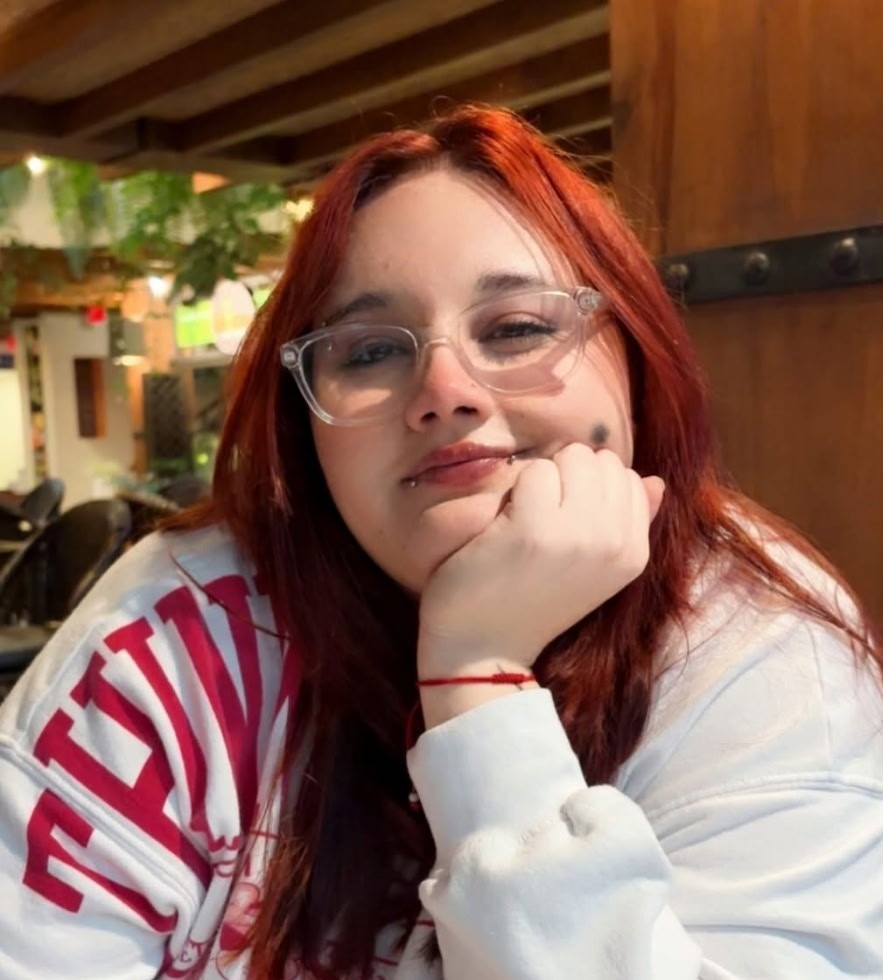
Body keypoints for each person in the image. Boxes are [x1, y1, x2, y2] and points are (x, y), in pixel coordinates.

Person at [0, 105, 881, 980]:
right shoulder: (175, 633)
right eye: (368, 351)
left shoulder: (758, 651)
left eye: (517, 328)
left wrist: (478, 678)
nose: (445, 389)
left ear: (638, 356)